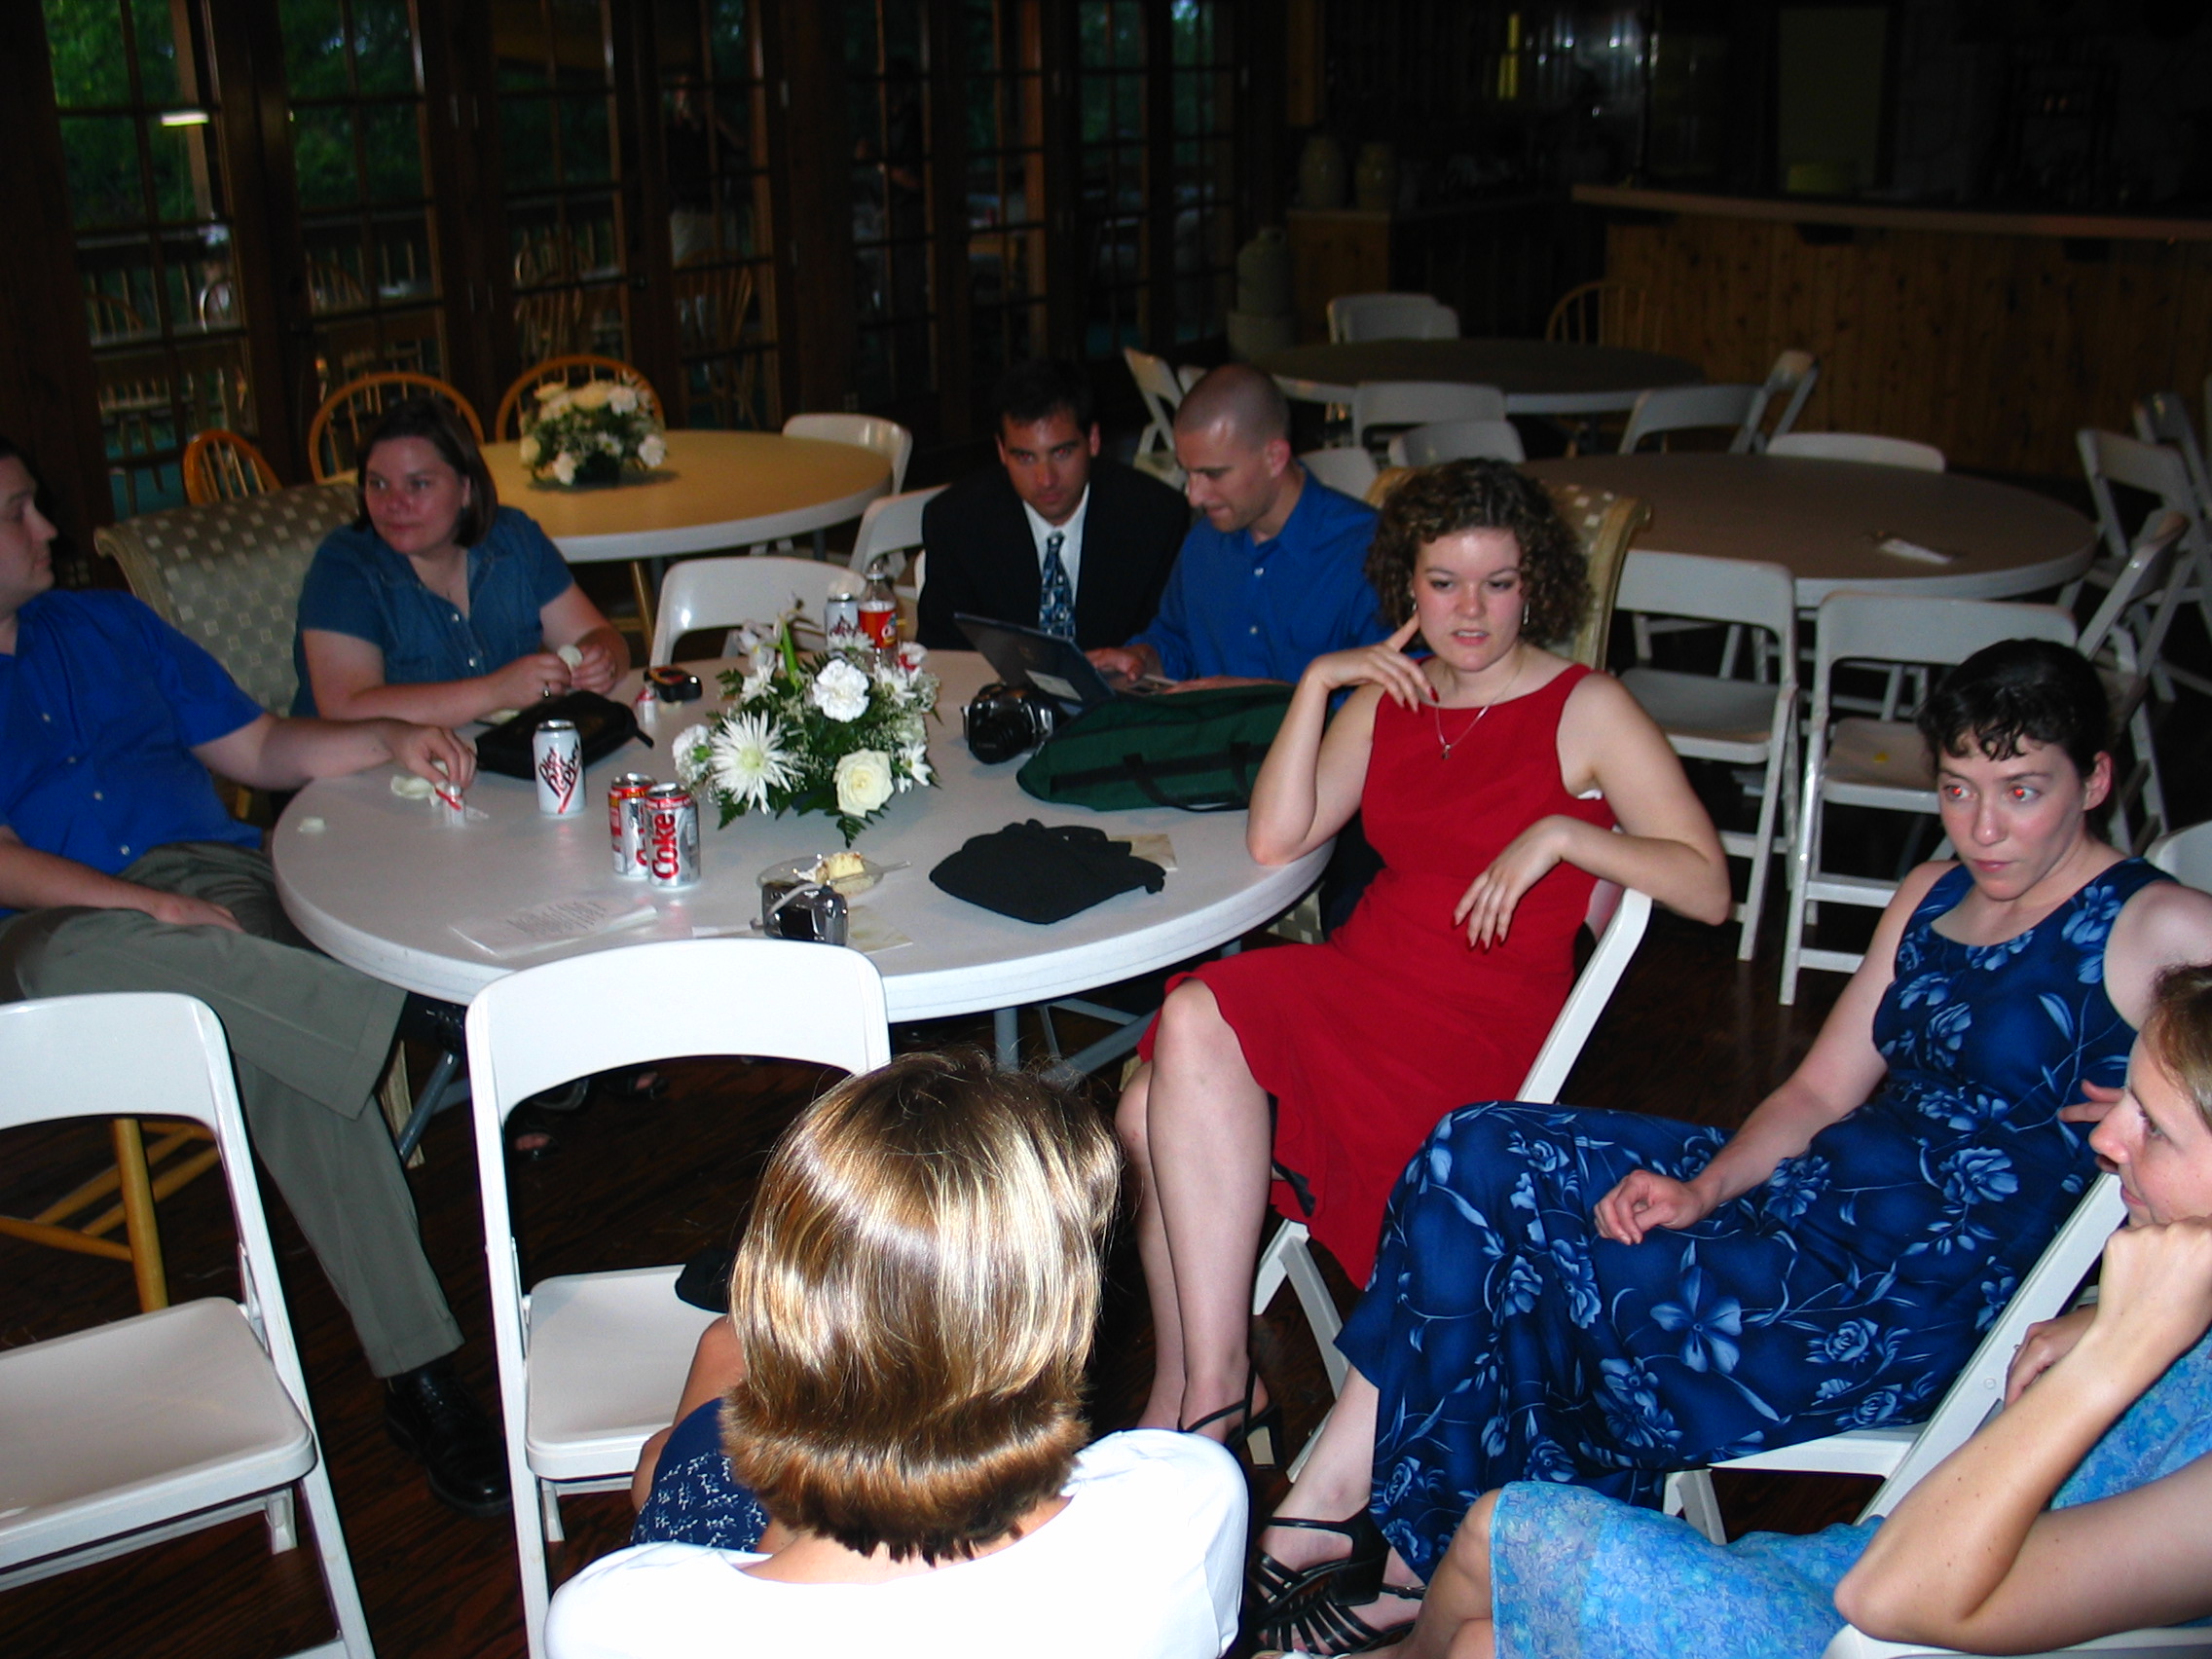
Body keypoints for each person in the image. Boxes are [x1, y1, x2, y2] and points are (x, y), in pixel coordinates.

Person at [1250, 637, 2212, 1655]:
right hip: (1819, 1192)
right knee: (1476, 1151)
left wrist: (2161, 1096)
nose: (1983, 828)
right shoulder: (1931, 893)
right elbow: (1818, 1090)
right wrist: (1706, 1189)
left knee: (1572, 1270)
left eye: (2022, 792)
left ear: (2094, 780)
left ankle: (1426, 1562)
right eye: (1957, 789)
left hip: (1915, 1288)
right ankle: (1420, 1531)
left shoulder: (2152, 924)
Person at [1116, 461, 1732, 1465]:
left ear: (1534, 586)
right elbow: (1276, 838)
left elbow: (1707, 887)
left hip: (1476, 1025)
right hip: (1361, 977)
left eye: (1497, 583)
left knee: (1152, 1108)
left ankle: (1204, 1394)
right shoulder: (1388, 698)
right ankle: (1211, 1386)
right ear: (1407, 585)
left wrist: (1562, 835)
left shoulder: (1586, 707)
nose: (1471, 610)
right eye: (1444, 583)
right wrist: (1321, 684)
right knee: (1169, 1062)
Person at [1358, 962, 2212, 1659]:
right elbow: (1819, 1090)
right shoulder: (2177, 1302)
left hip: (1896, 1617)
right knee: (1485, 1158)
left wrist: (2116, 1350)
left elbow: (1890, 1599)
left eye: (2155, 1128)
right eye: (2122, 1102)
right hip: (1895, 1541)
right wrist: (2104, 1318)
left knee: (1505, 1529)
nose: (2103, 1139)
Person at [0, 435, 511, 1517]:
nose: (47, 528)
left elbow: (263, 747)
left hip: (213, 885)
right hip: (56, 929)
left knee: (274, 1039)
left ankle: (419, 1377)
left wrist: (389, 735)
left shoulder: (109, 625)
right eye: (16, 513)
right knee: (152, 967)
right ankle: (401, 1012)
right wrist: (145, 908)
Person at [545, 1051, 1246, 1659]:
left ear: (783, 1291)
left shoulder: (613, 1620)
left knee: (711, 1369)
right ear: (1055, 1318)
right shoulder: (1188, 1502)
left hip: (752, 1560)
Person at [292, 397, 625, 722]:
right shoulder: (344, 565)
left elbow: (599, 635)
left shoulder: (513, 538)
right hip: (362, 759)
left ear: (466, 489)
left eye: (418, 484)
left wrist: (599, 662)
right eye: (377, 484)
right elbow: (346, 708)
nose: (394, 503)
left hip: (486, 752)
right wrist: (495, 692)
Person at [1088, 363, 1390, 689]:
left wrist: (1253, 699)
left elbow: (1389, 697)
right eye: (1188, 473)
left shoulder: (1366, 552)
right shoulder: (1204, 543)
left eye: (1213, 474)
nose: (1194, 496)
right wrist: (1144, 658)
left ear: (1274, 458)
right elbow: (1177, 638)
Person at [917, 358, 1188, 654]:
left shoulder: (1156, 517)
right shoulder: (956, 522)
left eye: (1061, 453)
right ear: (1001, 451)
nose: (1045, 480)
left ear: (1093, 440)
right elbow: (941, 651)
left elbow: (1170, 644)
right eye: (1025, 457)